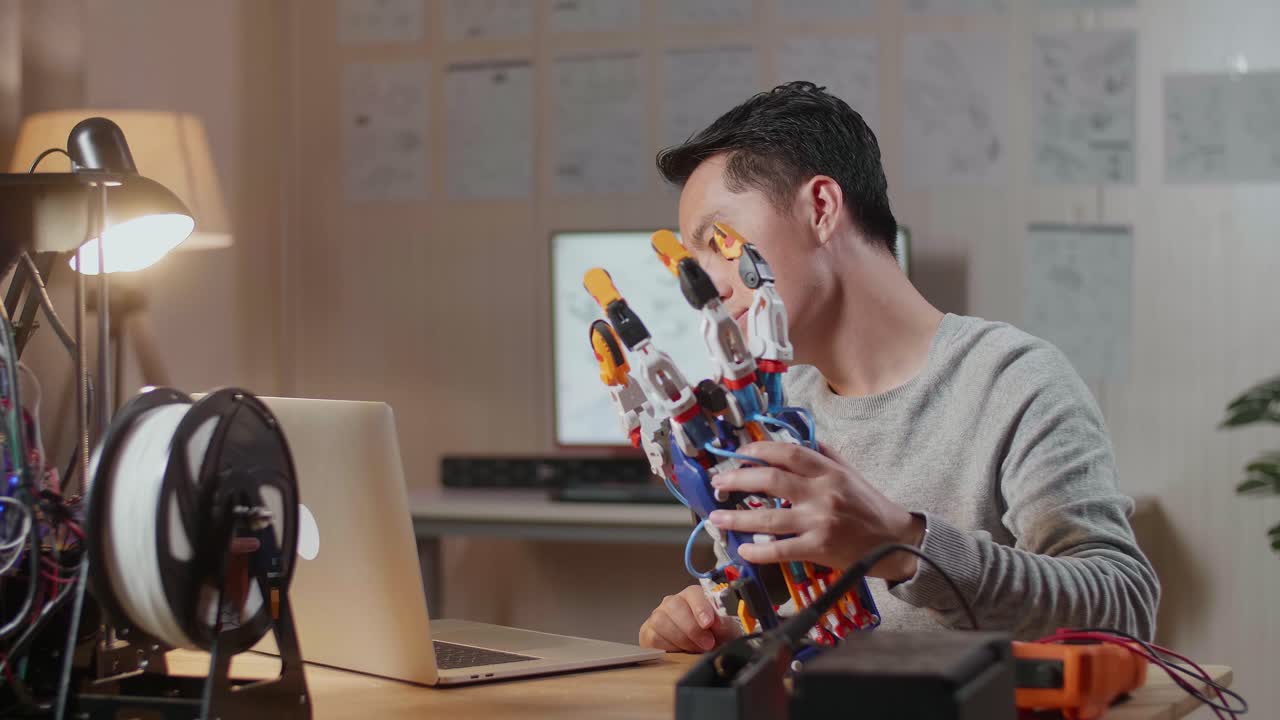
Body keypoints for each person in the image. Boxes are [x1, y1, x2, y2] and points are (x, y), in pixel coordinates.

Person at [637, 81, 1159, 654]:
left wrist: (900, 542)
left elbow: (1123, 609)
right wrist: (714, 624)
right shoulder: (768, 412)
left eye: (718, 240)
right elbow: (764, 616)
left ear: (821, 208)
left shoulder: (1013, 380)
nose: (704, 282)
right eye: (691, 260)